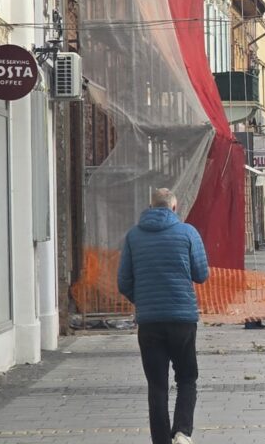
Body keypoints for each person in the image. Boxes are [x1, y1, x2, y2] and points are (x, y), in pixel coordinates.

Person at [118, 188, 209, 444]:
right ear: (173, 208)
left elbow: (124, 281)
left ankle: (161, 440)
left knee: (157, 385)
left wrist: (144, 300)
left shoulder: (134, 236)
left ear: (150, 207)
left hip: (149, 323)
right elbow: (201, 273)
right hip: (182, 319)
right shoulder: (188, 233)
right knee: (187, 377)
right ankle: (182, 431)